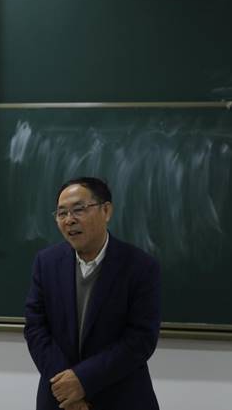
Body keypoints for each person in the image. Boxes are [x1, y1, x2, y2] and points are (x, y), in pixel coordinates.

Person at [24, 176, 161, 410]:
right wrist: (66, 387)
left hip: (121, 398)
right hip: (61, 399)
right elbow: (36, 328)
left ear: (106, 211)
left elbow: (141, 339)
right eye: (62, 213)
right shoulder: (46, 263)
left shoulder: (140, 266)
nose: (69, 220)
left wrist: (83, 380)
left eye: (79, 210)